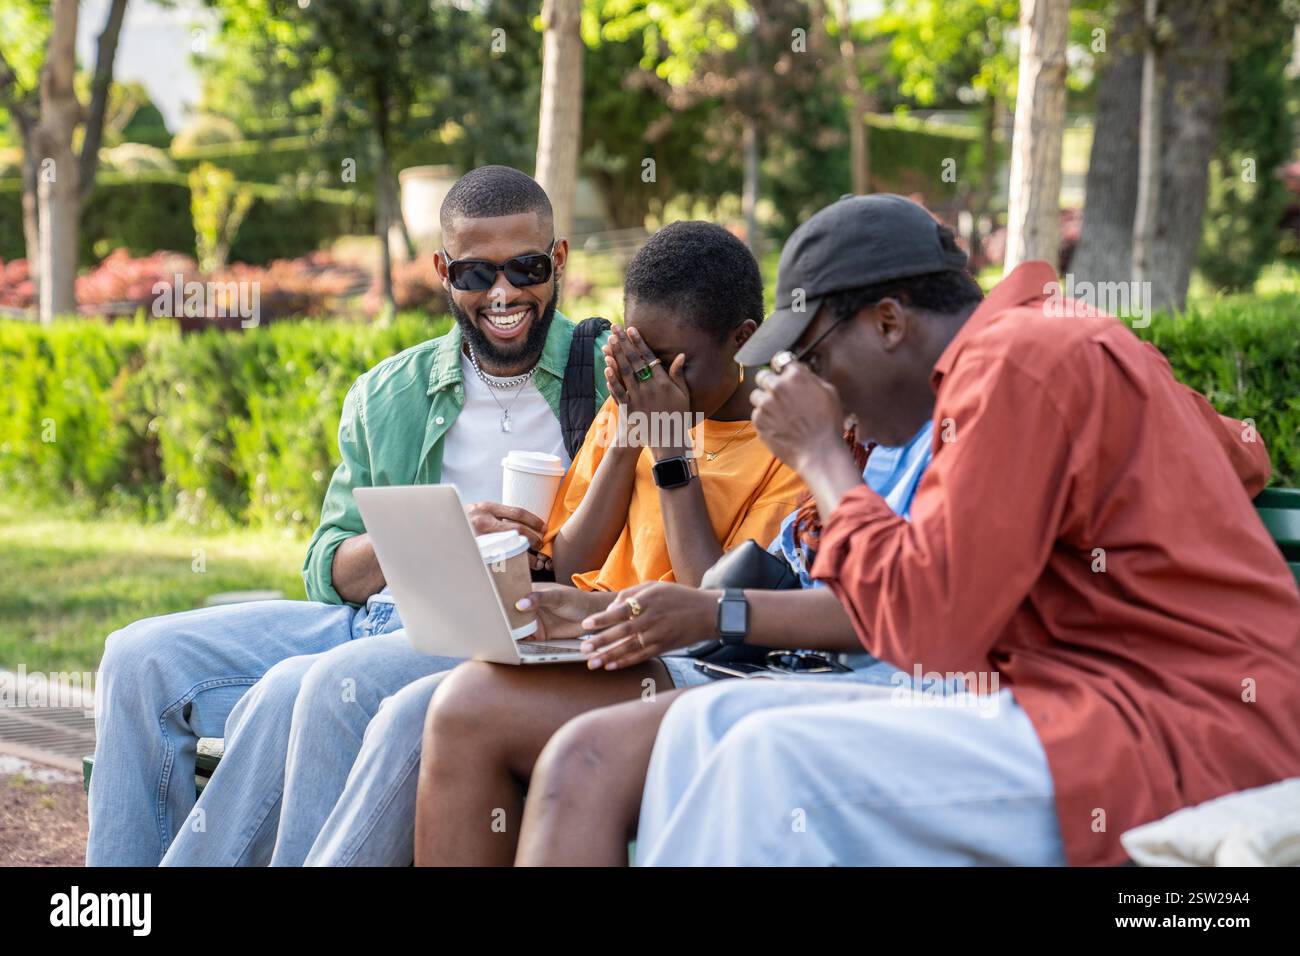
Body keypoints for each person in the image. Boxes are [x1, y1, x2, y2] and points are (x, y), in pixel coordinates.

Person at [512, 193, 1300, 867]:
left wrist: (825, 457)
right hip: (1073, 701)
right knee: (705, 725)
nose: (814, 388)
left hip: (1185, 727)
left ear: (888, 321)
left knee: (767, 763)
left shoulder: (1021, 361)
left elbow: (929, 626)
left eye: (813, 359)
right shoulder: (1005, 359)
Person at [88, 165, 611, 866]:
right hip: (371, 616)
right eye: (475, 274)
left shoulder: (608, 375)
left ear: (560, 260)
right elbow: (326, 569)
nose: (504, 294)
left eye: (525, 267)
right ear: (441, 270)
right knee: (138, 656)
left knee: (299, 688)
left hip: (492, 635)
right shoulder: (388, 394)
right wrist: (437, 539)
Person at [410, 220, 840, 866]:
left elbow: (714, 610)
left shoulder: (782, 438)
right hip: (586, 633)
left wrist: (670, 449)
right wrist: (631, 430)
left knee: (463, 708)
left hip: (681, 655)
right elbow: (571, 561)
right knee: (409, 708)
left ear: (742, 341)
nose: (651, 374)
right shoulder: (646, 394)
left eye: (673, 360)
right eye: (636, 351)